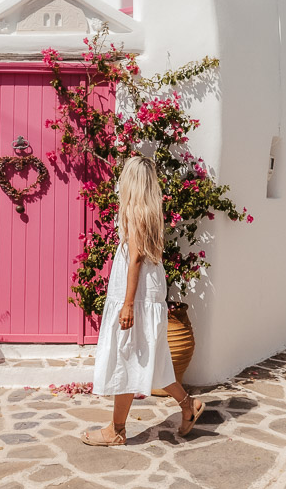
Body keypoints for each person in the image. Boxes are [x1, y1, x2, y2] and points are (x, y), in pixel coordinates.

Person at [81, 154, 205, 446]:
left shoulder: (134, 212)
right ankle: (188, 404)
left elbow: (135, 258)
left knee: (126, 359)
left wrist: (126, 304)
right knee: (151, 361)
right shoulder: (150, 212)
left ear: (131, 182)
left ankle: (117, 431)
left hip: (136, 297)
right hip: (148, 296)